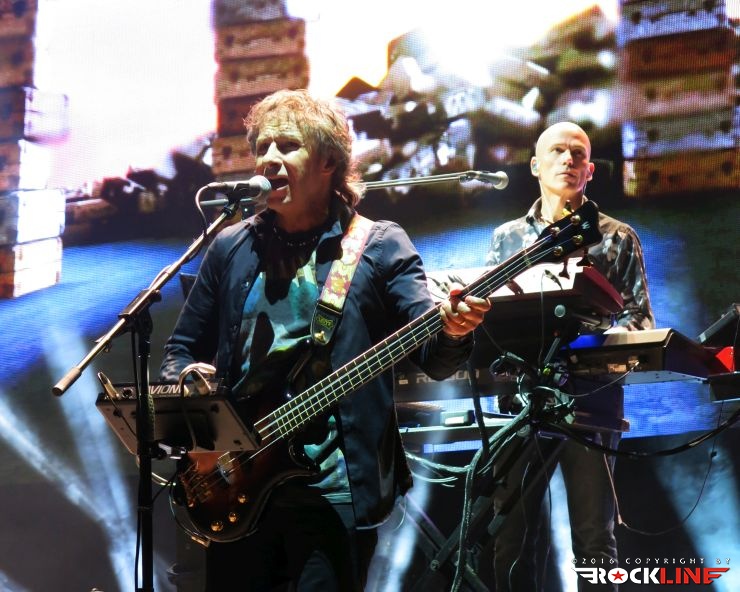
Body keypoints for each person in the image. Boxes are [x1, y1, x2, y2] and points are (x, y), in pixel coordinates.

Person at [159, 88, 491, 591]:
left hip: (333, 492)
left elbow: (435, 356)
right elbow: (181, 351)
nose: (270, 159)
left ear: (329, 161)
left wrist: (453, 330)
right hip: (235, 483)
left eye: (288, 145)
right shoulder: (230, 246)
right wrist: (195, 407)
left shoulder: (378, 245)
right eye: (263, 147)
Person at [481, 121, 654, 591]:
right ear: (535, 166)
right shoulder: (506, 239)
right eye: (557, 151)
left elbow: (640, 320)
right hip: (522, 404)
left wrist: (590, 348)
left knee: (595, 542)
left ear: (590, 170)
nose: (568, 160)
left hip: (591, 402)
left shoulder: (617, 237)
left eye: (578, 154)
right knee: (511, 540)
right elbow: (492, 318)